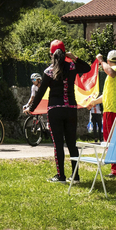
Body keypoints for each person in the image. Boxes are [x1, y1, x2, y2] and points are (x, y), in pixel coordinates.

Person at [25, 41, 91, 183]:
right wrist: (74, 57)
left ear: (51, 54)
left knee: (58, 144)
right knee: (72, 144)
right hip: (71, 109)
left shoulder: (49, 72)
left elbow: (40, 93)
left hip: (55, 110)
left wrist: (31, 109)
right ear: (64, 53)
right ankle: (75, 176)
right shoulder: (72, 66)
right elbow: (87, 68)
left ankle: (61, 176)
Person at [94, 50, 116, 176]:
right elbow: (106, 95)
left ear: (108, 61)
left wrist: (100, 61)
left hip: (111, 111)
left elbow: (111, 72)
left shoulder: (115, 70)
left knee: (111, 141)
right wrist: (93, 102)